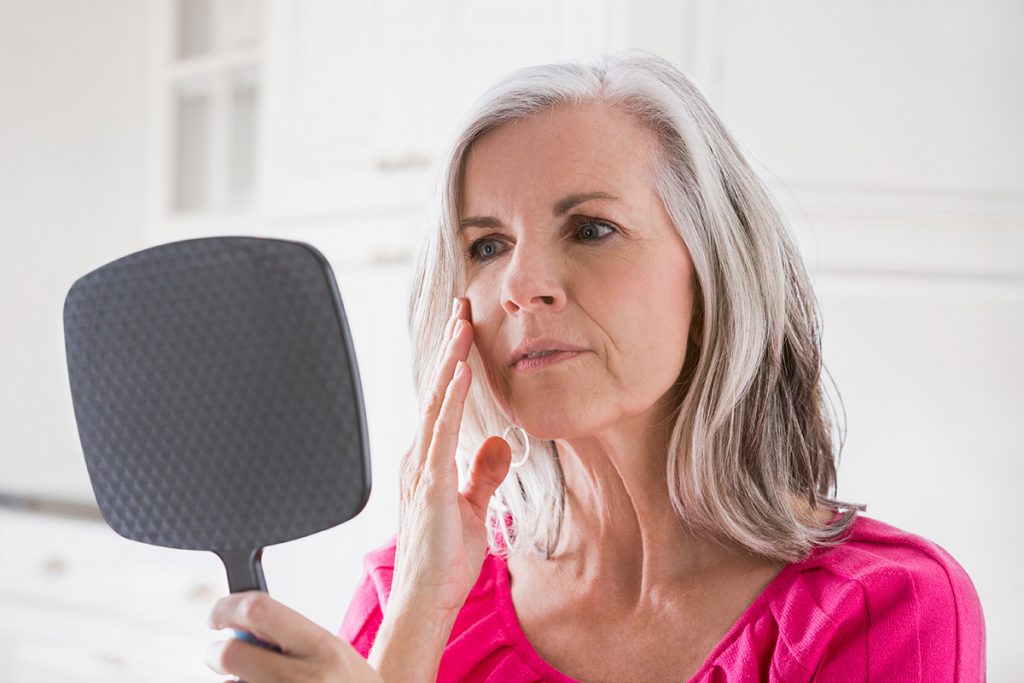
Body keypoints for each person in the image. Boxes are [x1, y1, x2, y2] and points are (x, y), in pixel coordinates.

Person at [204, 52, 986, 682]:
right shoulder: (408, 589)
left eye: (590, 228)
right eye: (485, 245)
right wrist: (415, 624)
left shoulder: (885, 610)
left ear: (712, 272)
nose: (519, 286)